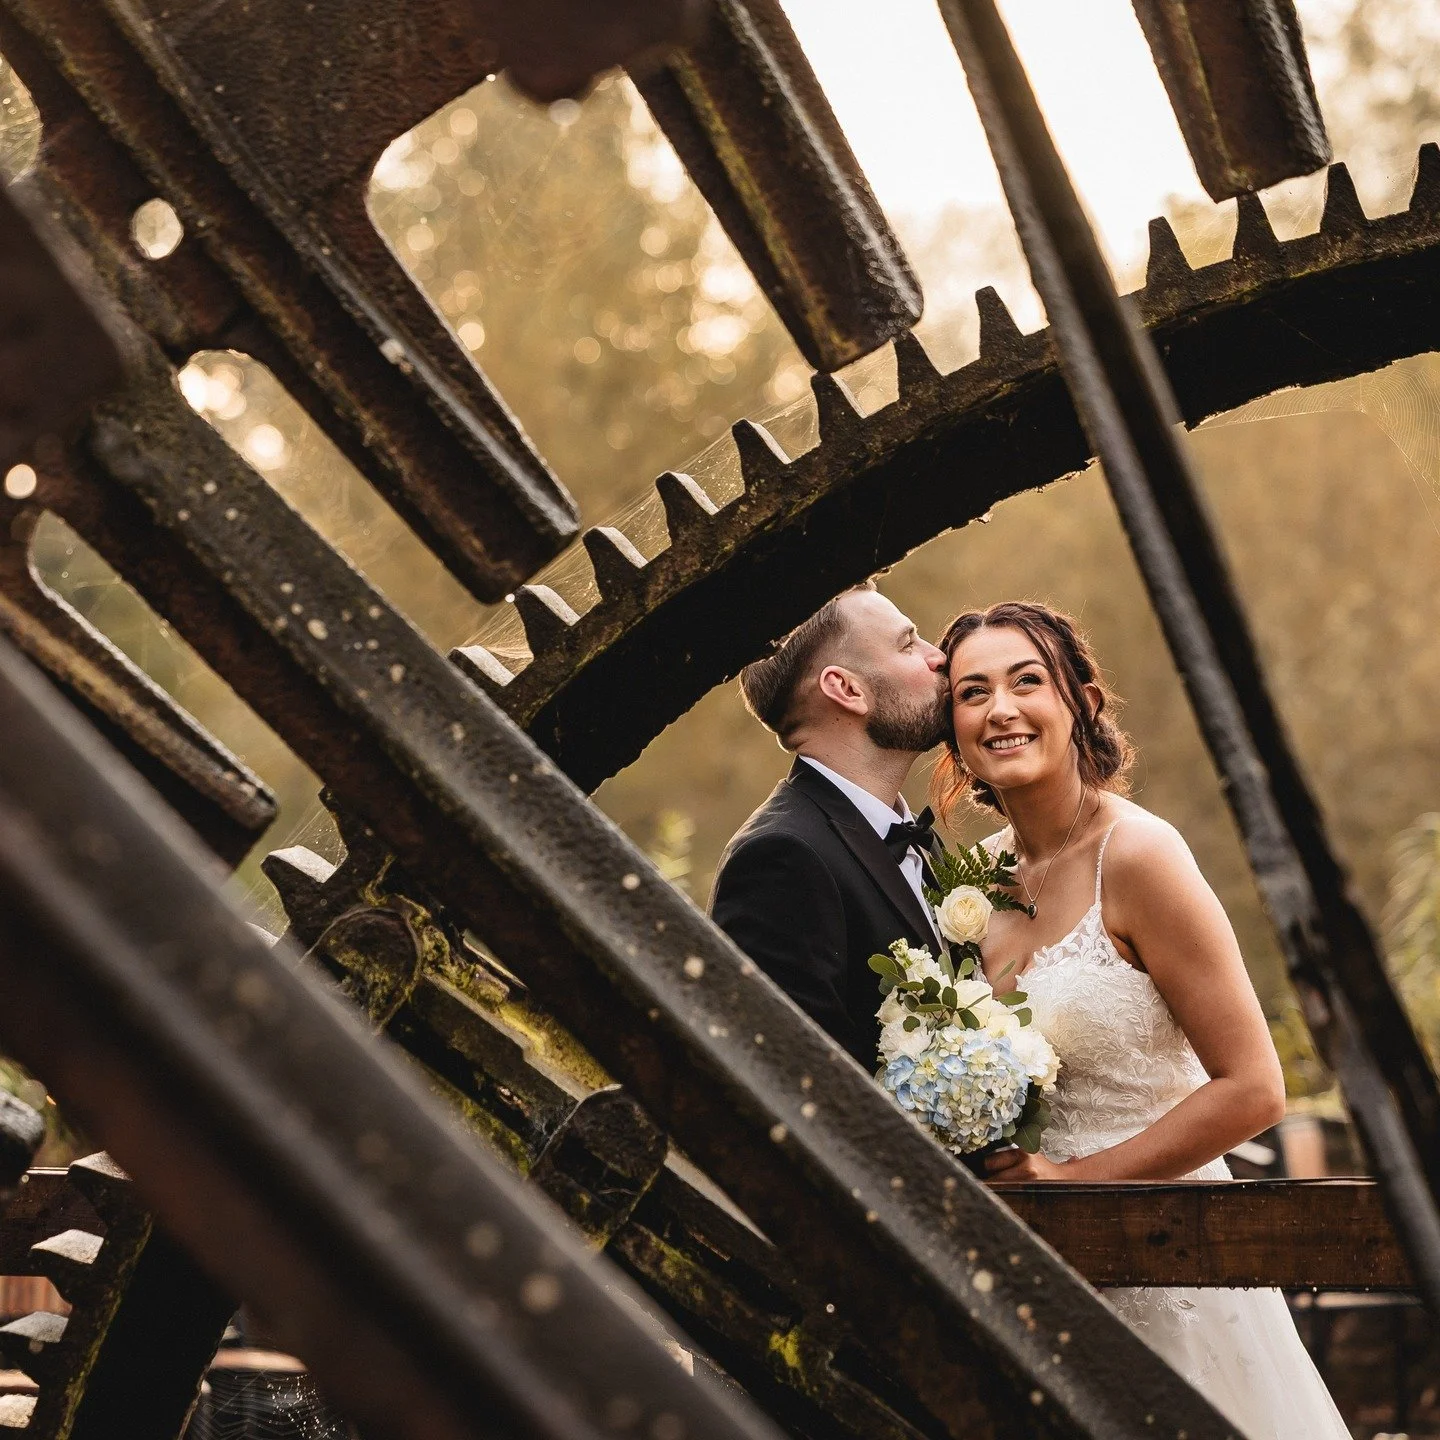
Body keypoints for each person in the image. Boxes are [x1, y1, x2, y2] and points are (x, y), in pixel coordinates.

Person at [935, 599, 1348, 1439]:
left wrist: (1070, 1189)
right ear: (954, 730)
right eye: (972, 693)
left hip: (1169, 1259)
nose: (1000, 709)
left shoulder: (1141, 857)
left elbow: (1255, 1089)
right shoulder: (972, 884)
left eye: (1026, 681)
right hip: (1040, 1277)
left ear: (1081, 701)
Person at [710, 583, 950, 1068]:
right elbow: (800, 1087)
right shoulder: (780, 860)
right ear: (847, 689)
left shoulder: (910, 834)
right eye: (908, 643)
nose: (938, 656)